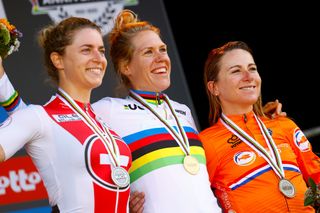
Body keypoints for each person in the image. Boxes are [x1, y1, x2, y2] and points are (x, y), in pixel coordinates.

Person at [0, 11, 284, 213]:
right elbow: (46, 122)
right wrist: (2, 80)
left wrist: (259, 125)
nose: (162, 57)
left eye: (162, 49)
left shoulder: (182, 111)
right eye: (148, 52)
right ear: (125, 67)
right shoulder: (109, 110)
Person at [0, 17, 132, 212]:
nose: (98, 57)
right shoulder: (38, 117)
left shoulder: (102, 120)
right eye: (86, 49)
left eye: (101, 50)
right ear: (58, 60)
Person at [199, 40, 320, 212]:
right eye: (236, 71)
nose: (248, 77)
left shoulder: (283, 125)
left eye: (252, 68)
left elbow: (317, 176)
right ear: (214, 87)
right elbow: (192, 199)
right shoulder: (207, 143)